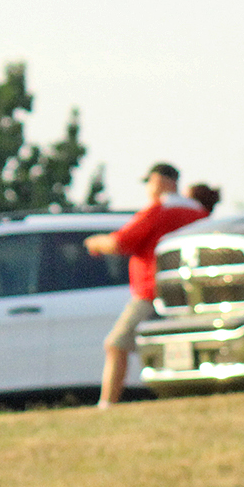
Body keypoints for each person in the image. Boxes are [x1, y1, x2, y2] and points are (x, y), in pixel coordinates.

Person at [83, 163, 208, 405]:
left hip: (152, 291)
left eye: (149, 182)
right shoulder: (198, 212)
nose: (148, 189)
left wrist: (95, 243)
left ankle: (107, 403)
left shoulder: (160, 210)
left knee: (115, 345)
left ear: (161, 181)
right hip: (190, 290)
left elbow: (120, 242)